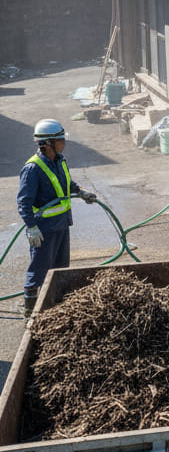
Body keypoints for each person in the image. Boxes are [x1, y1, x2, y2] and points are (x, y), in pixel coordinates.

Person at [17, 119, 97, 319]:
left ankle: (56, 308)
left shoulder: (59, 160)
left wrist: (81, 191)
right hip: (44, 229)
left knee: (60, 268)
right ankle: (31, 313)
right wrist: (32, 227)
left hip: (62, 225)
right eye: (60, 139)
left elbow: (67, 184)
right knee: (39, 271)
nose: (64, 142)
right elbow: (23, 202)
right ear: (48, 143)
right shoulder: (32, 169)